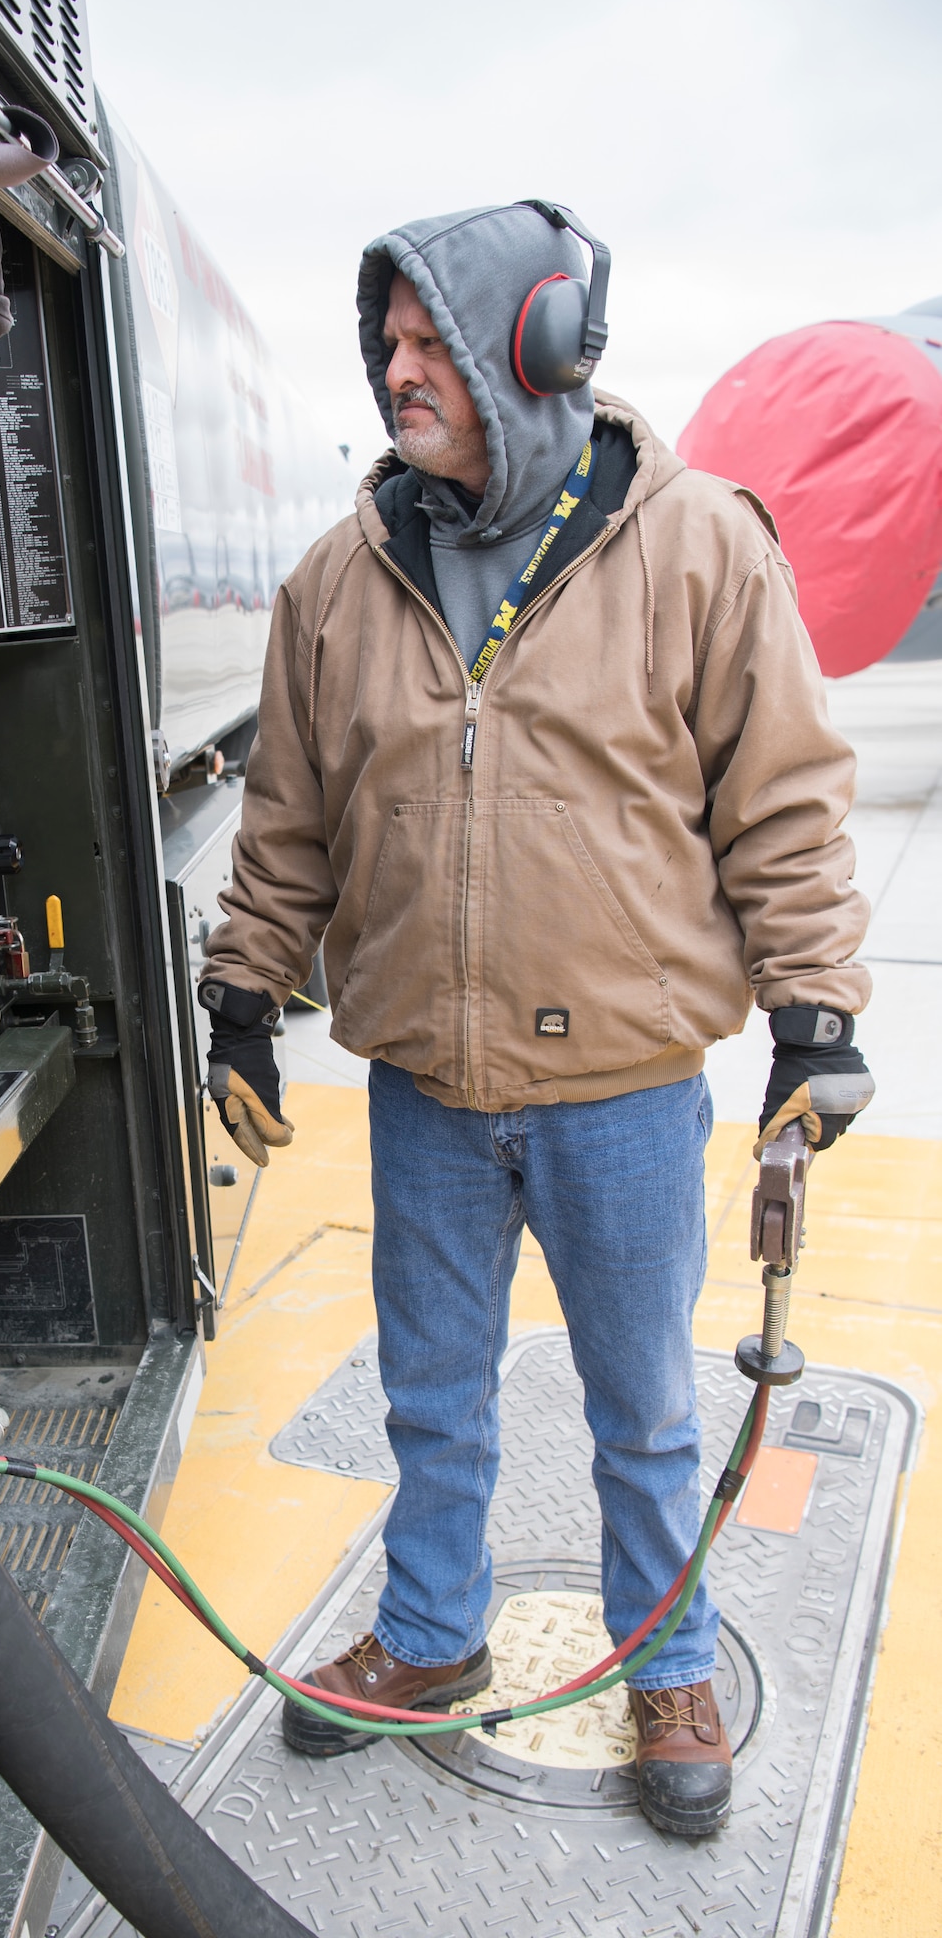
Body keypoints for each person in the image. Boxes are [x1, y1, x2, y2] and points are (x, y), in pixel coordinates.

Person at [198, 202, 875, 1839]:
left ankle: (666, 1666)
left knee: (641, 1407)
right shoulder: (337, 576)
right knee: (431, 1392)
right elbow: (289, 816)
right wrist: (238, 994)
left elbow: (779, 802)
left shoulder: (701, 541)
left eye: (430, 343)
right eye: (387, 345)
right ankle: (431, 1640)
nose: (395, 374)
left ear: (543, 344)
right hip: (424, 1081)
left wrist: (812, 1014)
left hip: (625, 1088)